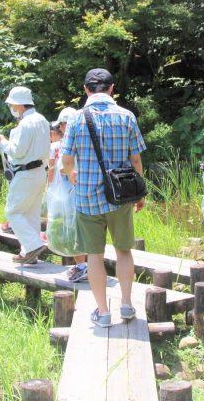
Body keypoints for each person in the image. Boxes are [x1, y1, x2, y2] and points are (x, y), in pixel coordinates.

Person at [62, 68, 146, 327]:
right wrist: (140, 192)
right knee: (123, 251)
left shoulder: (76, 119)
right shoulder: (127, 116)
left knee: (94, 256)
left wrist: (71, 173)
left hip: (87, 197)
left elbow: (66, 159)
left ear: (86, 90)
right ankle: (127, 305)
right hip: (121, 196)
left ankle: (103, 312)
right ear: (112, 89)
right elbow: (135, 159)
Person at [0, 86, 51, 263]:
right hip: (40, 172)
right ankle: (28, 253)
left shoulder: (26, 124)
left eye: (12, 104)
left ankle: (33, 245)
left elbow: (17, 151)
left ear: (19, 105)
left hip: (26, 173)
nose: (11, 108)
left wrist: (2, 143)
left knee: (13, 212)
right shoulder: (41, 120)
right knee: (31, 213)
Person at [51, 107, 88, 283]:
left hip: (72, 192)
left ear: (66, 124)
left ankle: (82, 266)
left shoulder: (71, 141)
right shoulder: (83, 139)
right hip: (80, 191)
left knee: (75, 230)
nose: (61, 129)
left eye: (62, 125)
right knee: (80, 229)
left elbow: (65, 169)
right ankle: (82, 265)